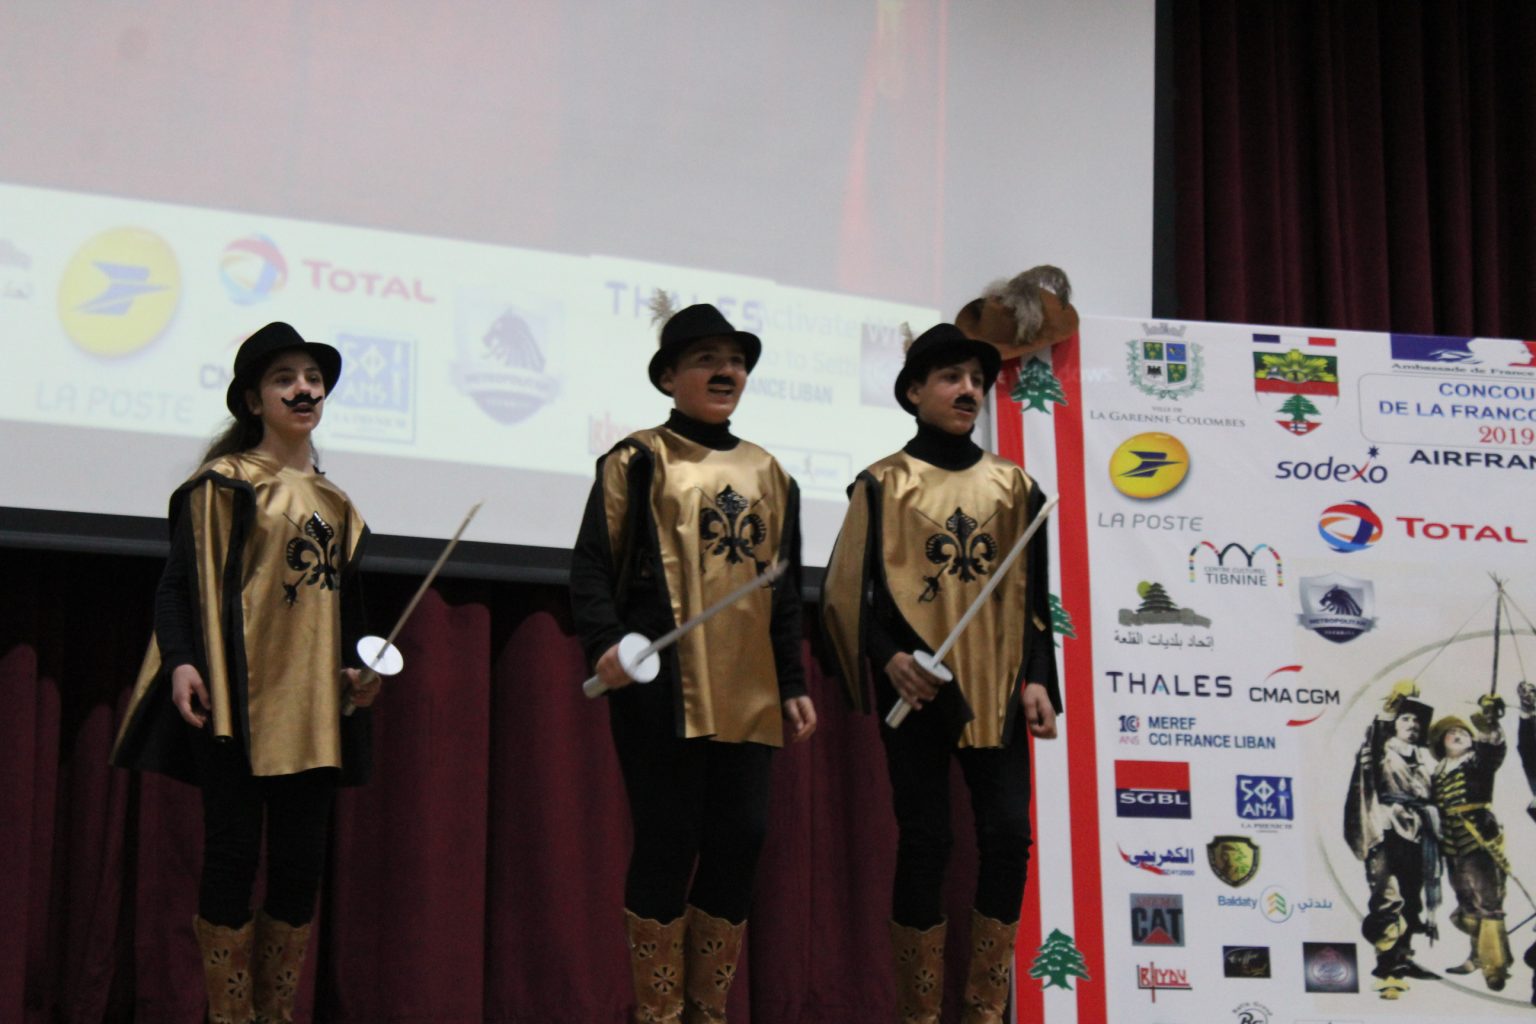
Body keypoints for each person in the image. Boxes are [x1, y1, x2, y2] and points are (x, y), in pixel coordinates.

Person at [111, 322, 377, 1024]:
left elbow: (347, 612)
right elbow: (177, 586)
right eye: (285, 379)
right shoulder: (225, 485)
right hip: (236, 697)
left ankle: (273, 1011)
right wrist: (182, 662)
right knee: (232, 855)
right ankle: (229, 1016)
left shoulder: (337, 504)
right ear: (254, 401)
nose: (304, 389)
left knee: (299, 866)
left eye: (313, 379)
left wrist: (360, 670)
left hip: (313, 708)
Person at [569, 298, 816, 1023]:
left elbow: (785, 589)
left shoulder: (771, 472)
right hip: (662, 687)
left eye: (735, 361)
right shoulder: (637, 459)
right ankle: (658, 1013)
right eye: (707, 360)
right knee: (668, 841)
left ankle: (706, 1011)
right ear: (668, 377)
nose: (726, 371)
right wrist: (605, 642)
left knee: (742, 840)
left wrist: (792, 679)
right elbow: (591, 565)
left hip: (751, 687)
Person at [820, 323, 1060, 1024]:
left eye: (978, 381)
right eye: (952, 378)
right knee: (927, 841)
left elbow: (1034, 598)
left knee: (1008, 837)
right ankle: (919, 1014)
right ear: (913, 392)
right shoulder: (882, 484)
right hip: (919, 690)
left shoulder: (1016, 487)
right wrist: (889, 658)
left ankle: (984, 1010)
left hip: (999, 685)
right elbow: (848, 595)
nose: (969, 391)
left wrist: (1039, 677)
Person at [1344, 680, 1441, 998]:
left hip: (1418, 833)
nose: (1412, 724)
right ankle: (1386, 967)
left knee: (1411, 900)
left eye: (1417, 721)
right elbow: (1375, 736)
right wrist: (1390, 707)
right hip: (1385, 830)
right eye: (1405, 718)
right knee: (1388, 898)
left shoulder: (1425, 760)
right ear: (1395, 724)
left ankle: (1403, 958)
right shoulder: (1381, 749)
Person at [1429, 696, 1511, 990]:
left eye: (1463, 732)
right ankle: (1477, 956)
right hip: (1451, 847)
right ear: (1441, 744)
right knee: (1466, 903)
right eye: (1451, 733)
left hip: (1478, 840)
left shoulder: (1477, 763)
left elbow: (1493, 750)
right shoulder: (1436, 773)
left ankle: (1495, 966)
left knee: (1489, 903)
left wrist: (1488, 725)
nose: (1458, 735)